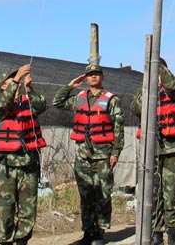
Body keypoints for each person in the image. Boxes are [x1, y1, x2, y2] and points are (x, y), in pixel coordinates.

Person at [53, 63, 125, 245]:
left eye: (96, 74)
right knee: (86, 195)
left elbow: (118, 128)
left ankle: (100, 233)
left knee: (102, 193)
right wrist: (69, 87)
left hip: (103, 155)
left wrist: (115, 152)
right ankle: (88, 232)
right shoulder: (79, 98)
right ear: (85, 78)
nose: (93, 77)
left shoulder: (111, 100)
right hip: (83, 155)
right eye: (90, 75)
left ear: (102, 77)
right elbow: (57, 102)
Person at [131, 58, 175, 245]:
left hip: (172, 148)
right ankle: (156, 233)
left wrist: (164, 76)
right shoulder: (144, 92)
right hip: (151, 150)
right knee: (153, 194)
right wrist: (153, 89)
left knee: (172, 193)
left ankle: (173, 234)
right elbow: (136, 108)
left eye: (159, 72)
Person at [0, 64, 48, 245]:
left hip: (29, 163)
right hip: (8, 165)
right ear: (4, 86)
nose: (15, 82)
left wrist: (29, 88)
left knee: (28, 207)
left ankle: (22, 240)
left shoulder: (28, 101)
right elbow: (2, 108)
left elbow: (41, 106)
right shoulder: (0, 104)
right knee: (6, 207)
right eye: (10, 80)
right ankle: (6, 239)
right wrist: (17, 80)